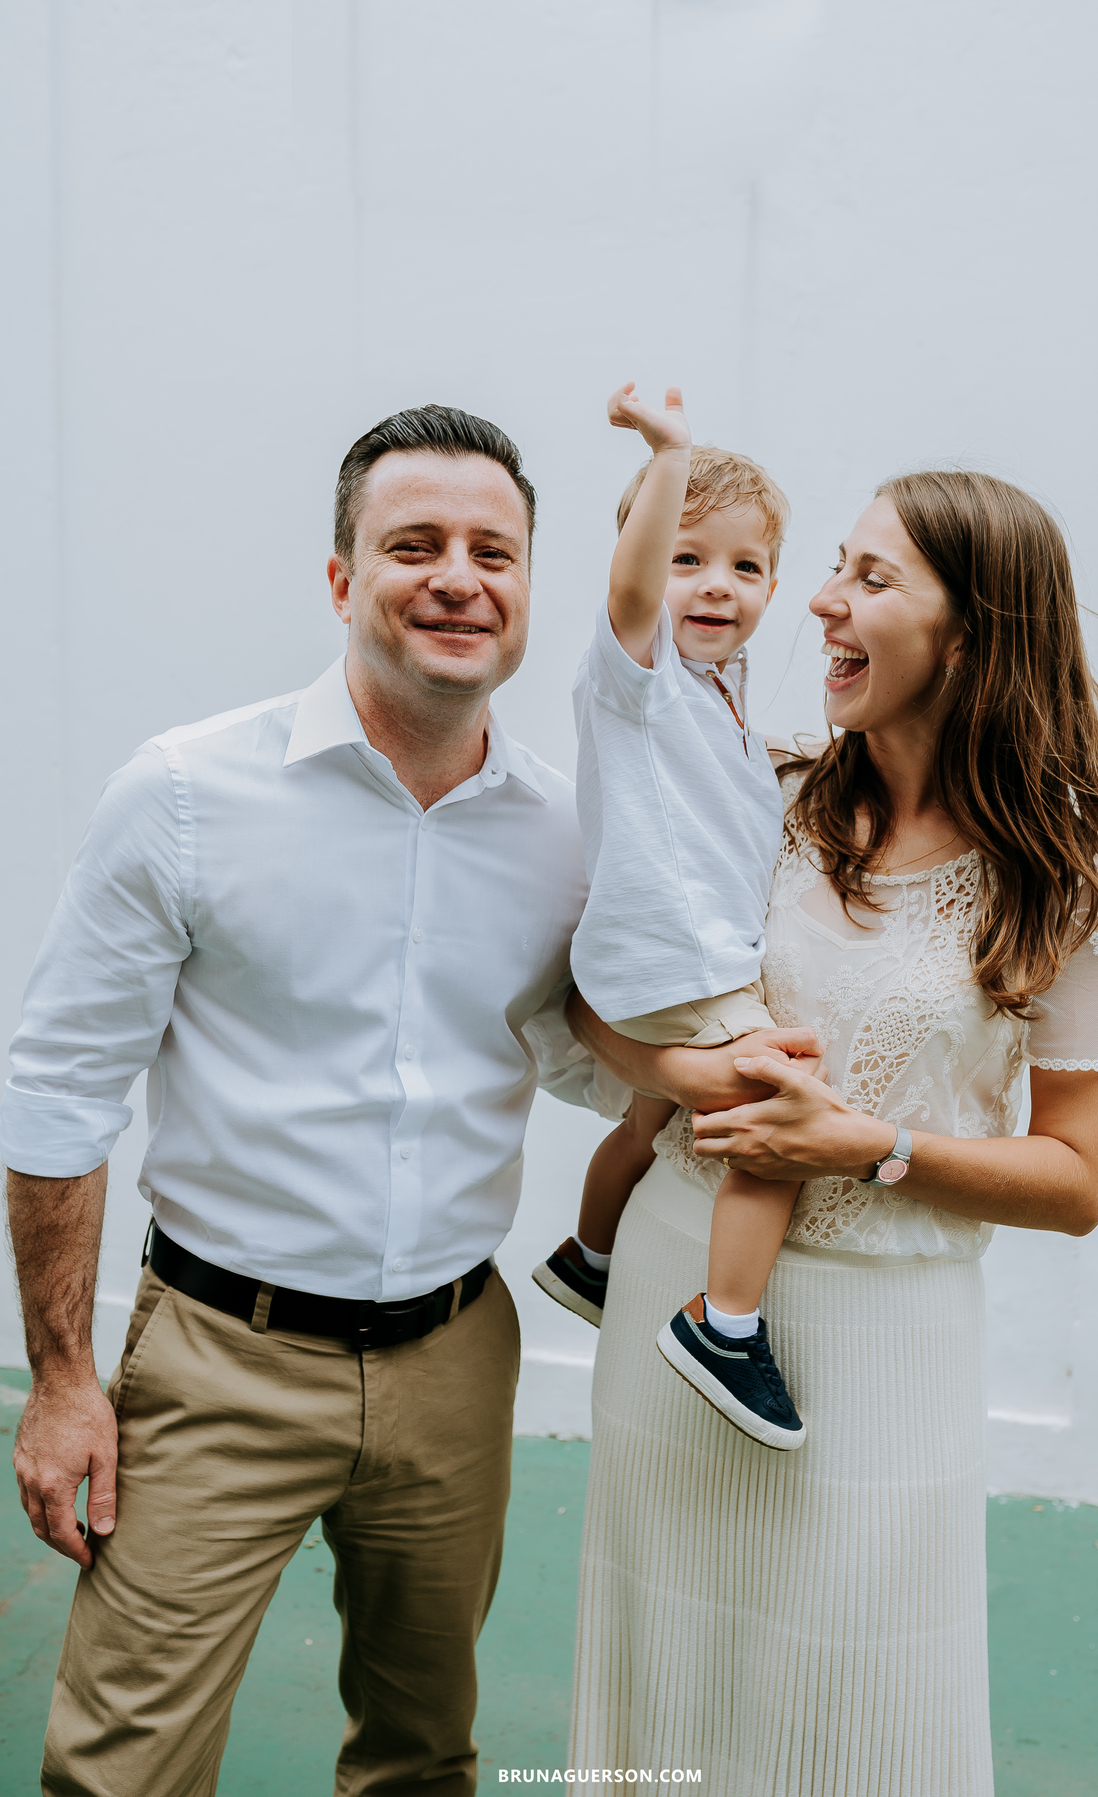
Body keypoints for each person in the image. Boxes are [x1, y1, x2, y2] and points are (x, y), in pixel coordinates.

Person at [1, 403, 644, 1797]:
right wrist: (60, 1376)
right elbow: (59, 1083)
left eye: (496, 550)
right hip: (220, 1356)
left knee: (422, 1758)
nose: (459, 577)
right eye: (414, 544)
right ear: (344, 579)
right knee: (122, 1766)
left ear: (529, 589)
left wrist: (743, 1061)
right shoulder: (182, 794)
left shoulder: (562, 835)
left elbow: (586, 1056)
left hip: (457, 1359)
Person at [564, 470, 1098, 1795]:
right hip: (679, 1295)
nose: (823, 601)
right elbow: (591, 996)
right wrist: (694, 1069)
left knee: (861, 1713)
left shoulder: (1066, 876)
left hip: (883, 1344)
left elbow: (1079, 1179)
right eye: (835, 565)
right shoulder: (765, 792)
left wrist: (868, 1146)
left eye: (873, 578)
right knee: (666, 1687)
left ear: (972, 636)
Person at [532, 383, 811, 1450]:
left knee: (643, 1126)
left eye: (745, 568)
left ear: (775, 586)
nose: (716, 587)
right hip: (676, 963)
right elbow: (637, 586)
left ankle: (588, 1255)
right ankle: (724, 1325)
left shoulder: (727, 696)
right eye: (689, 559)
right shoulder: (635, 677)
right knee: (778, 1123)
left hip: (668, 963)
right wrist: (671, 457)